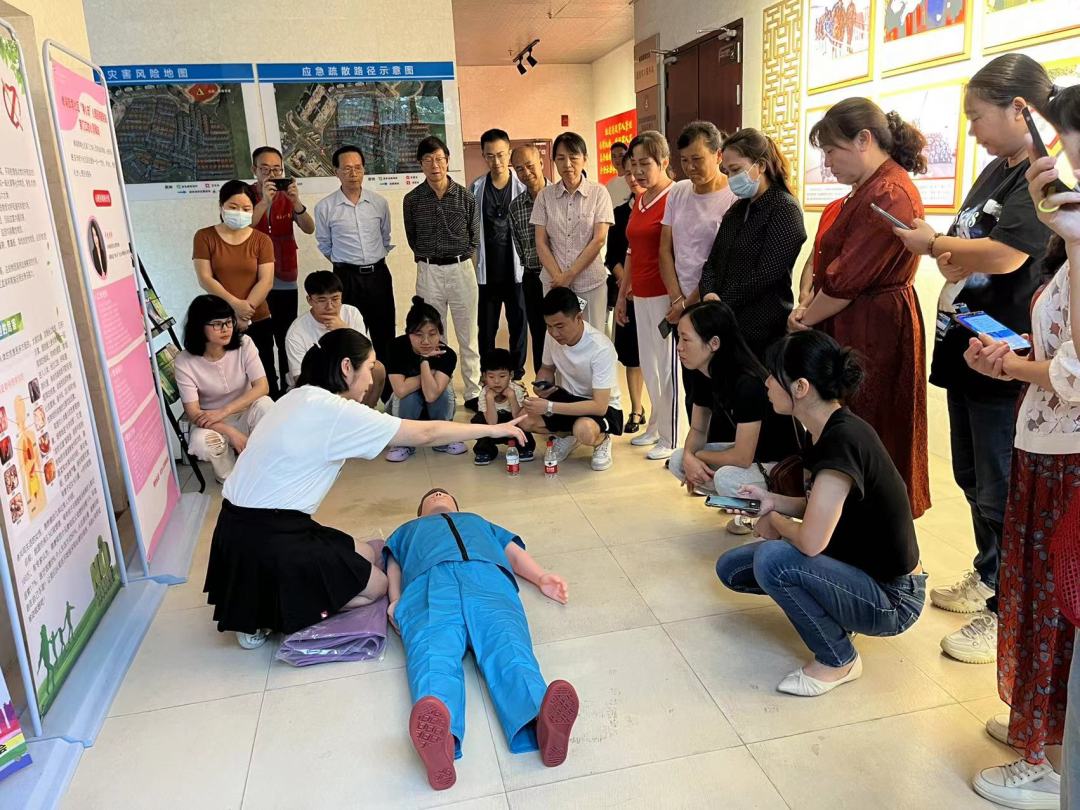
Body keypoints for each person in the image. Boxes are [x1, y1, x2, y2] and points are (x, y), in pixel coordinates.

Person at [204, 328, 526, 650]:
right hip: (268, 539)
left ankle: (268, 595)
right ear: (347, 367)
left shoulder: (298, 395)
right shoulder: (334, 411)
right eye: (369, 369)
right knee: (377, 586)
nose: (372, 381)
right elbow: (425, 433)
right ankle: (268, 614)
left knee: (370, 554)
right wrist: (492, 429)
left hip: (240, 527)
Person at [892, 55, 1054, 666]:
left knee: (1001, 487)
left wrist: (935, 244)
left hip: (1007, 352)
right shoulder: (995, 170)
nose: (972, 129)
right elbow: (971, 249)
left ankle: (1006, 610)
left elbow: (1008, 256)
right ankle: (989, 576)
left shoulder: (1041, 175)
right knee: (972, 476)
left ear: (1020, 108)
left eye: (977, 115)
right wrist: (951, 250)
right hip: (969, 344)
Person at [962, 82, 1080, 810]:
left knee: (1054, 603)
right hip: (1048, 442)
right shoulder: (1069, 241)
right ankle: (1045, 731)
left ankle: (1052, 760)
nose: (1056, 168)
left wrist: (1015, 368)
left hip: (1069, 456)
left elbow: (1078, 373)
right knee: (1037, 594)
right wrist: (1014, 361)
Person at [715, 330, 926, 696]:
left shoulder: (842, 441)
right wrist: (773, 501)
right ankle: (841, 613)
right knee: (731, 568)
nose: (767, 383)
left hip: (894, 597)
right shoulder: (821, 430)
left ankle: (838, 658)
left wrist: (775, 523)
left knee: (772, 560)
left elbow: (811, 541)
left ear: (800, 387)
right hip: (857, 566)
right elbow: (820, 505)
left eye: (774, 375)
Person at [385, 489, 578, 791]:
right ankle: (441, 743)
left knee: (510, 648)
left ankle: (541, 722)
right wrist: (395, 600)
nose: (437, 493)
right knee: (432, 656)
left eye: (443, 494)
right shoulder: (407, 531)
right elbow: (393, 565)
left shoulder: (477, 521)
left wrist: (541, 577)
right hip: (428, 585)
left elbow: (512, 552)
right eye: (430, 495)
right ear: (420, 512)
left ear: (457, 506)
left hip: (488, 580)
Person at [792, 98, 930, 519]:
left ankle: (870, 522)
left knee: (871, 425)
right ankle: (839, 518)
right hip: (854, 319)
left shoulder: (889, 192)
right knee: (849, 423)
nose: (827, 162)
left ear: (863, 140)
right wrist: (808, 308)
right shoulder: (868, 189)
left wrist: (803, 320)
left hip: (875, 329)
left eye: (831, 150)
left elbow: (847, 280)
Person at [669, 301, 802, 532]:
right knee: (678, 460)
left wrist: (696, 456)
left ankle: (768, 512)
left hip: (780, 465)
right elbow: (698, 428)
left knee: (726, 479)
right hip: (753, 457)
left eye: (686, 339)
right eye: (678, 338)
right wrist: (689, 457)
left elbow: (742, 457)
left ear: (714, 343)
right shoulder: (702, 372)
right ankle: (744, 507)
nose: (679, 347)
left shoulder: (746, 383)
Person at [699, 129, 806, 358]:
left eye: (736, 170)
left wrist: (722, 302)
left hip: (762, 329)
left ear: (761, 165)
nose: (731, 178)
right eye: (727, 171)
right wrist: (708, 293)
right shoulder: (737, 209)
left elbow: (766, 274)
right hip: (726, 322)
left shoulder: (784, 208)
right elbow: (713, 261)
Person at [614, 131, 682, 461]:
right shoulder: (640, 200)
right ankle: (655, 425)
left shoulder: (676, 195)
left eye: (646, 164)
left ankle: (671, 436)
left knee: (666, 368)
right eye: (634, 165)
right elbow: (631, 250)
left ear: (664, 162)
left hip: (664, 295)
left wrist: (678, 299)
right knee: (650, 366)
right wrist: (622, 295)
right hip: (639, 294)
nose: (638, 172)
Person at [403, 136, 482, 410]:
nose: (434, 165)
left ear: (447, 161)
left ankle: (473, 392)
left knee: (468, 334)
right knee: (433, 334)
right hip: (429, 271)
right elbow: (412, 238)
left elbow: (474, 237)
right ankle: (441, 390)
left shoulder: (466, 196)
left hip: (461, 269)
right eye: (428, 160)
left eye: (439, 159)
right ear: (420, 164)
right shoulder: (412, 200)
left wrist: (457, 257)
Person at [314, 145, 394, 400]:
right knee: (349, 335)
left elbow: (385, 237)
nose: (353, 173)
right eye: (347, 168)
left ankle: (387, 394)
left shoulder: (378, 203)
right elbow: (325, 245)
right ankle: (352, 393)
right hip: (345, 278)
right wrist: (347, 265)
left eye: (358, 168)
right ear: (336, 172)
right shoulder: (325, 207)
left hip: (378, 275)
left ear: (364, 169)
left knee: (384, 332)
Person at [518, 288, 624, 471]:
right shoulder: (551, 336)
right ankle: (569, 435)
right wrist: (542, 385)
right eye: (549, 326)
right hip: (568, 398)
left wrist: (549, 406)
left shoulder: (601, 348)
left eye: (560, 326)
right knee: (524, 419)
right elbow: (547, 368)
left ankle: (602, 439)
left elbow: (599, 406)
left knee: (584, 430)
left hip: (603, 407)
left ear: (578, 318)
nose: (554, 333)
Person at [174, 295, 274, 484]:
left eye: (229, 322)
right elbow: (193, 412)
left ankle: (263, 465)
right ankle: (228, 475)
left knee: (266, 405)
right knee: (202, 442)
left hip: (245, 411)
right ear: (199, 326)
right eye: (217, 324)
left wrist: (224, 411)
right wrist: (231, 432)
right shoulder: (184, 361)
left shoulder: (244, 344)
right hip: (212, 422)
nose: (226, 328)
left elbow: (262, 387)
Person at [192, 180, 278, 399]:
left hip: (258, 318)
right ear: (221, 206)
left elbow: (266, 281)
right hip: (219, 322)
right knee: (226, 381)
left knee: (265, 377)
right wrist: (236, 307)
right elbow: (205, 278)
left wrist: (245, 313)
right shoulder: (204, 236)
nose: (239, 212)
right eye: (233, 207)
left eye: (246, 208)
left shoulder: (262, 240)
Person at [531, 131, 615, 334]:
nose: (567, 164)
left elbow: (599, 239)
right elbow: (541, 242)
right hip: (554, 283)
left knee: (592, 336)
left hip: (590, 283)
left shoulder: (599, 193)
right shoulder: (544, 196)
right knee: (559, 337)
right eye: (560, 158)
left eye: (573, 157)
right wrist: (559, 278)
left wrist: (569, 275)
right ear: (554, 162)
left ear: (585, 159)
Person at [249, 146, 315, 394]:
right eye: (265, 169)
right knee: (261, 340)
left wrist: (296, 202)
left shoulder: (288, 196)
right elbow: (243, 227)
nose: (272, 174)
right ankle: (268, 392)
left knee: (286, 337)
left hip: (285, 275)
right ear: (254, 170)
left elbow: (309, 227)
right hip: (255, 279)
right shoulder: (246, 195)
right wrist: (264, 202)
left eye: (277, 169)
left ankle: (290, 391)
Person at [471, 128, 528, 379]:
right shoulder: (476, 188)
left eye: (501, 154)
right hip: (488, 272)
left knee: (519, 326)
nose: (497, 161)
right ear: (484, 156)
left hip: (516, 271)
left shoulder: (522, 187)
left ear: (509, 153)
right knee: (486, 329)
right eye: (490, 155)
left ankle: (517, 374)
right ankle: (489, 374)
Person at [284, 271, 384, 405]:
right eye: (322, 300)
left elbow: (368, 355)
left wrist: (345, 330)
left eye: (335, 299)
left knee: (377, 369)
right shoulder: (296, 332)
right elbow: (300, 379)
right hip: (315, 384)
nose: (329, 306)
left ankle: (365, 411)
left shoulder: (352, 314)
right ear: (309, 300)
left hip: (348, 375)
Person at [383, 297, 462, 462]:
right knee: (408, 395)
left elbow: (432, 395)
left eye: (432, 334)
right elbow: (400, 390)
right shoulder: (396, 347)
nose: (425, 341)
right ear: (408, 333)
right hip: (402, 410)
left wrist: (424, 361)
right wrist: (429, 374)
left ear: (440, 333)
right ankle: (404, 441)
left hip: (434, 410)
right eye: (418, 335)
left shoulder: (447, 354)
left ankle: (442, 438)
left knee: (444, 391)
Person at [604, 152, 645, 433]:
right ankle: (636, 409)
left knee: (656, 359)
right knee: (632, 356)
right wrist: (625, 282)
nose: (633, 177)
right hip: (627, 294)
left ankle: (661, 416)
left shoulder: (666, 207)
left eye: (638, 170)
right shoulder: (620, 213)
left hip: (655, 294)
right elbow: (614, 256)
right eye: (628, 172)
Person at [509, 145, 551, 373]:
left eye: (530, 165)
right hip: (532, 278)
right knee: (539, 333)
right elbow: (519, 246)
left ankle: (569, 388)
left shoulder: (560, 197)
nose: (526, 172)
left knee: (566, 332)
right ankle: (543, 385)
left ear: (541, 163)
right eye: (519, 169)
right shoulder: (515, 207)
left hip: (561, 278)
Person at [472, 348, 535, 465]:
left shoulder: (516, 390)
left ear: (511, 375)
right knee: (479, 422)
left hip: (512, 426)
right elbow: (491, 423)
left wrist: (512, 397)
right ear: (484, 376)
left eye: (502, 376)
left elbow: (519, 419)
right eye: (491, 377)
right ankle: (486, 451)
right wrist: (489, 399)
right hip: (492, 428)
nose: (496, 381)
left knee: (524, 427)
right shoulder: (484, 394)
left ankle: (523, 449)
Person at [605, 140, 631, 206]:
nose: (617, 159)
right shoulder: (608, 186)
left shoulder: (633, 180)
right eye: (614, 156)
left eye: (621, 155)